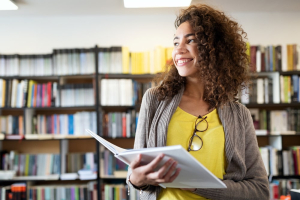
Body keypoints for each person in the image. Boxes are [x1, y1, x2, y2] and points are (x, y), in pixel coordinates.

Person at [126, 4, 269, 200]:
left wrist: (197, 185)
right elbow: (135, 177)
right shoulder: (154, 100)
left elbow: (259, 190)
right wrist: (135, 178)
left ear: (214, 48)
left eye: (190, 40)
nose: (179, 50)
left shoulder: (239, 114)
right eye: (176, 43)